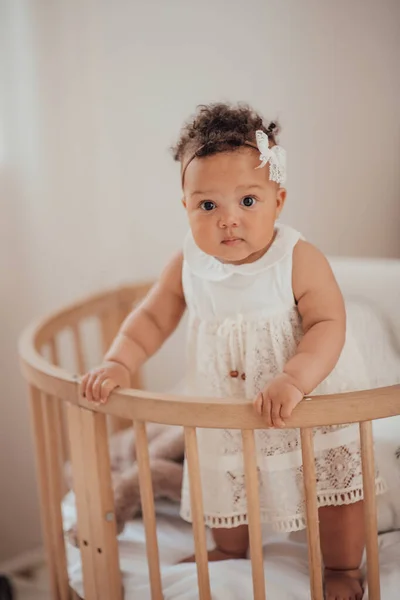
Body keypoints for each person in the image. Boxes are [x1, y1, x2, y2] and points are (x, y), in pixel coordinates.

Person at [81, 102, 391, 600]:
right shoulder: (188, 263)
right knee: (224, 480)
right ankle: (229, 547)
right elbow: (152, 317)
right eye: (208, 206)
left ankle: (341, 568)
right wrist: (119, 360)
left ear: (278, 200)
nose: (228, 220)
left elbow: (328, 324)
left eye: (248, 201)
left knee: (333, 487)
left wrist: (295, 377)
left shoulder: (297, 258)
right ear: (185, 207)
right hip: (228, 402)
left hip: (308, 397)